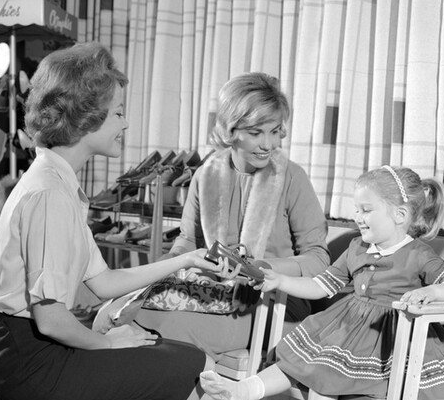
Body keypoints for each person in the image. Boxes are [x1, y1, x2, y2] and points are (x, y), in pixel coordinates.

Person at [0, 41, 221, 400]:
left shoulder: (58, 183)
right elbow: (51, 320)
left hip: (30, 348)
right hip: (28, 361)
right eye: (118, 113)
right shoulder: (49, 194)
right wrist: (111, 343)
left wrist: (184, 260)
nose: (125, 124)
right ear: (85, 118)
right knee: (184, 363)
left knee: (178, 357)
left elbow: (102, 282)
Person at [199, 165, 444, 400]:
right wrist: (279, 280)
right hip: (349, 328)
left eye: (366, 210)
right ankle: (243, 392)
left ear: (400, 214)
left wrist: (431, 292)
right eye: (355, 210)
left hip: (391, 342)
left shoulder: (419, 255)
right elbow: (322, 285)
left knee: (328, 366)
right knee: (301, 356)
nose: (358, 217)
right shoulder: (356, 248)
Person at [134, 71, 331, 358]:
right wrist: (155, 275)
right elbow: (188, 242)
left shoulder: (292, 177)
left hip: (276, 303)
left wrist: (265, 267)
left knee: (167, 330)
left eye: (275, 131)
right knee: (133, 314)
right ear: (231, 130)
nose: (268, 144)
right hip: (216, 293)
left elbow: (319, 258)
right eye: (255, 133)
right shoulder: (205, 175)